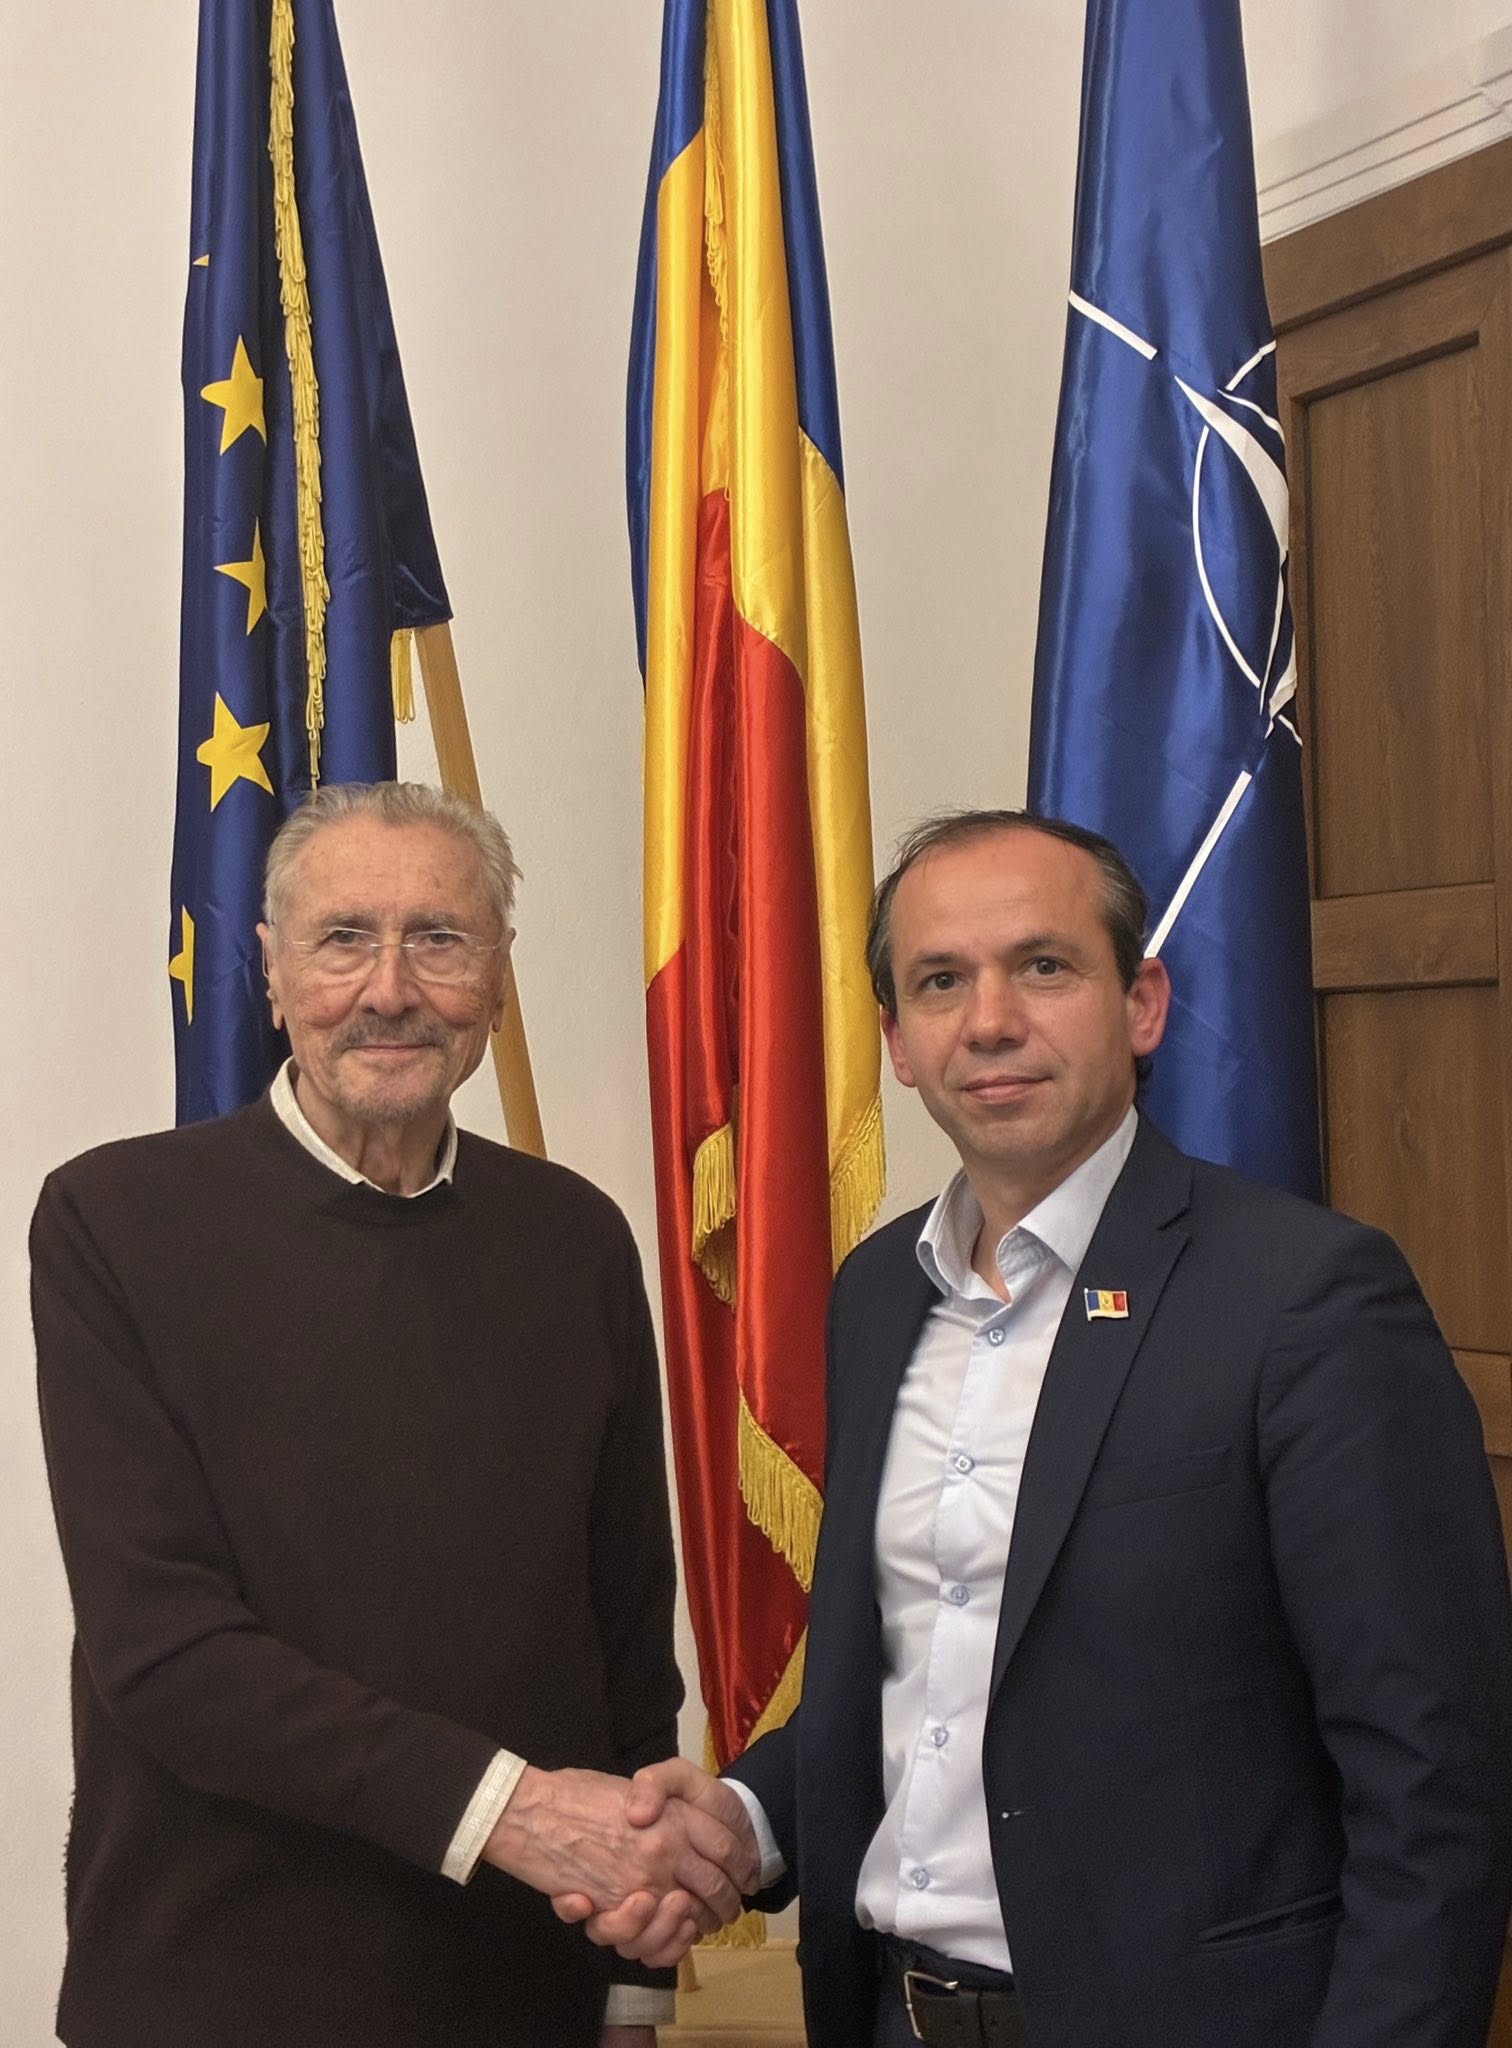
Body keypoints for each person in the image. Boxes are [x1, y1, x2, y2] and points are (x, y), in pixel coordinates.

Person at [565, 810, 1512, 2048]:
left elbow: (1437, 1774)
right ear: (898, 1044)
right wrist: (744, 1823)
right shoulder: (877, 1295)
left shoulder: (1305, 1297)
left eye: (1044, 965)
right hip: (895, 2012)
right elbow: (924, 1680)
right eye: (940, 981)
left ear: (1142, 1003)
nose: (990, 1019)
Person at [32, 781, 754, 2048]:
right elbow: (167, 1654)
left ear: (499, 974)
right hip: (213, 1992)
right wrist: (514, 1810)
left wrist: (632, 1980)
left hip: (523, 1992)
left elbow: (626, 1638)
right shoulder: (115, 1222)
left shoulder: (574, 1237)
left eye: (439, 938)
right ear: (271, 969)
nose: (390, 989)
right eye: (344, 938)